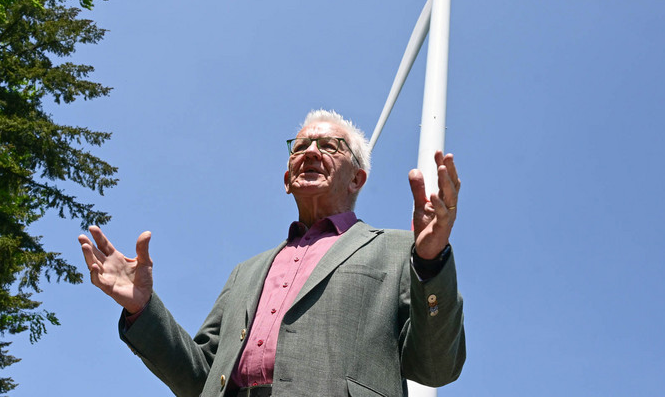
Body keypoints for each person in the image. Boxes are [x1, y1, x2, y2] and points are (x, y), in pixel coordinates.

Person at [79, 109, 465, 396]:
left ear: (357, 178)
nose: (311, 153)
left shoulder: (398, 250)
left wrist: (430, 263)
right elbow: (200, 378)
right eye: (300, 147)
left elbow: (436, 366)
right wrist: (142, 310)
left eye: (330, 146)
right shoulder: (245, 273)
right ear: (287, 180)